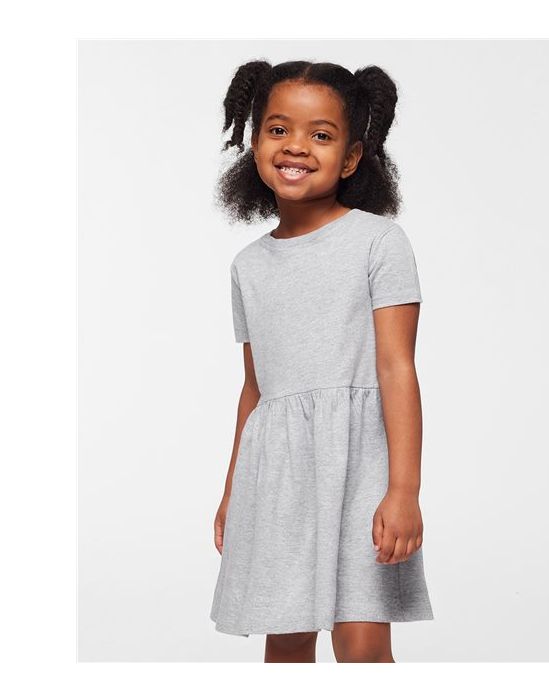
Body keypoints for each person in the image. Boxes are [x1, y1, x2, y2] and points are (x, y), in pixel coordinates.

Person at [209, 60, 434, 663]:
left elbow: (397, 369)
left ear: (352, 157)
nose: (296, 147)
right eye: (278, 129)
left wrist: (404, 490)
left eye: (322, 134)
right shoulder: (248, 266)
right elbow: (255, 389)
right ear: (254, 142)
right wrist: (232, 492)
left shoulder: (378, 242)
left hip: (360, 467)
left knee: (362, 645)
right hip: (276, 474)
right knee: (285, 644)